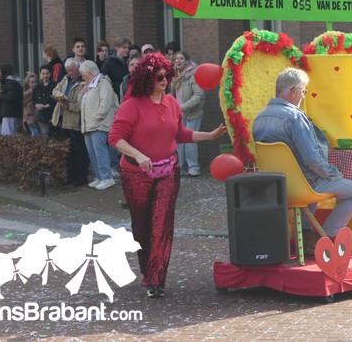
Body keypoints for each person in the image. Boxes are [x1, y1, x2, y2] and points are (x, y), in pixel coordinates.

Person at [109, 52, 227, 298]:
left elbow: (180, 133)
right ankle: (148, 269)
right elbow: (115, 138)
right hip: (136, 174)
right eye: (159, 77)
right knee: (142, 226)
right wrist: (138, 155)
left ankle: (156, 279)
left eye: (166, 75)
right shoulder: (131, 106)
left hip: (168, 172)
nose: (164, 80)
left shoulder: (172, 103)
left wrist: (210, 135)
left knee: (162, 224)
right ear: (146, 79)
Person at [252, 68, 352, 253]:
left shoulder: (260, 117)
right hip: (305, 185)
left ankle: (305, 237)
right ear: (293, 91)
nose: (303, 96)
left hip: (276, 187)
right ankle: (323, 237)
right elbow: (313, 160)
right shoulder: (295, 117)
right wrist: (334, 173)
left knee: (311, 179)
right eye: (303, 91)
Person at [80, 60, 118, 190]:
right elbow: (82, 103)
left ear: (89, 73)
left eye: (83, 74)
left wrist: (97, 118)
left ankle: (107, 177)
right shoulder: (89, 85)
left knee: (100, 151)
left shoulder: (103, 83)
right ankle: (99, 176)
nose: (82, 77)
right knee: (92, 152)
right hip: (88, 124)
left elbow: (105, 102)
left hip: (98, 124)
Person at [52, 58, 89, 187]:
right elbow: (55, 90)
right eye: (68, 70)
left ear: (78, 68)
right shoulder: (65, 79)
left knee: (79, 150)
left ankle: (81, 177)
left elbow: (82, 103)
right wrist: (61, 96)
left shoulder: (83, 82)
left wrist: (69, 105)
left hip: (75, 121)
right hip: (63, 120)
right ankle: (70, 176)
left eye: (72, 70)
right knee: (68, 150)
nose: (70, 72)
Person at [171, 50, 205, 177]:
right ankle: (180, 166)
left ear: (187, 61)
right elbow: (172, 93)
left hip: (192, 113)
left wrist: (183, 107)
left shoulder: (193, 74)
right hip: (179, 112)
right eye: (176, 59)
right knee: (179, 140)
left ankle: (194, 167)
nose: (178, 61)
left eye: (181, 59)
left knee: (190, 139)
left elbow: (199, 95)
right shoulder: (175, 74)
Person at [0, 64, 23, 135]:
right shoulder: (12, 82)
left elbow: (10, 97)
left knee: (7, 134)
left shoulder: (10, 83)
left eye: (0, 71)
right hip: (11, 111)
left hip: (9, 111)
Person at [32, 65, 57, 139]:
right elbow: (34, 98)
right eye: (43, 74)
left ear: (50, 74)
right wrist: (36, 105)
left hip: (53, 114)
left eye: (47, 74)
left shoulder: (55, 85)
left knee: (55, 136)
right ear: (40, 74)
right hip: (41, 115)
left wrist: (46, 105)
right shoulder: (38, 86)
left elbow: (56, 99)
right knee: (44, 135)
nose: (45, 76)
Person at [22, 72, 39, 136]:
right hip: (29, 117)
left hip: (36, 115)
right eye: (32, 83)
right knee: (35, 133)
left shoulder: (38, 92)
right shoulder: (26, 94)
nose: (34, 84)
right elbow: (22, 104)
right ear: (28, 83)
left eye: (35, 82)